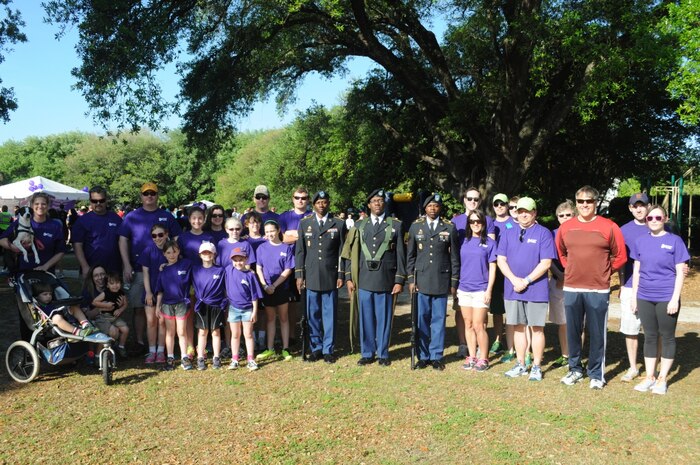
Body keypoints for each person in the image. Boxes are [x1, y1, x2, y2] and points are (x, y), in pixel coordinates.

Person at [556, 185, 627, 389]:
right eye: (581, 201)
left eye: (589, 201)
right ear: (576, 203)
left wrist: (605, 271)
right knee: (573, 332)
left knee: (597, 333)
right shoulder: (566, 227)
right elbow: (561, 253)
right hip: (572, 288)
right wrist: (569, 268)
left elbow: (620, 255)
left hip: (598, 288)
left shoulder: (609, 226)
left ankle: (596, 373)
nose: (585, 205)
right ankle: (575, 369)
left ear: (596, 203)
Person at [343, 189, 406, 367]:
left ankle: (383, 353)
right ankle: (367, 352)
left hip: (385, 279)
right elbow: (351, 254)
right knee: (366, 318)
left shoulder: (396, 225)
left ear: (384, 204)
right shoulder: (359, 226)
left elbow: (401, 254)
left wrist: (399, 279)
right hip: (364, 279)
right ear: (369, 205)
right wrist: (349, 277)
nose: (377, 203)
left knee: (384, 318)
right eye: (374, 201)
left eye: (380, 200)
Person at [631, 205, 689, 395]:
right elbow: (637, 270)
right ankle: (649, 377)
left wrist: (674, 299)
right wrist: (634, 297)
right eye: (650, 218)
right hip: (644, 296)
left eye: (658, 218)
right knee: (650, 336)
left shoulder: (675, 241)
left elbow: (681, 272)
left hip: (666, 296)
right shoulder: (640, 241)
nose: (654, 221)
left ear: (664, 219)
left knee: (667, 336)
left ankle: (662, 379)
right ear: (646, 220)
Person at [119, 182, 182, 355]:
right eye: (146, 194)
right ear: (141, 196)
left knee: (165, 307)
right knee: (140, 307)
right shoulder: (132, 216)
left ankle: (164, 345)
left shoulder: (166, 216)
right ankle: (140, 342)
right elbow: (123, 240)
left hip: (165, 270)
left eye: (152, 193)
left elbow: (176, 237)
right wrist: (126, 264)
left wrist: (175, 259)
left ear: (157, 195)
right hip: (140, 269)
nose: (149, 196)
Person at [498, 197, 557, 381]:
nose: (523, 214)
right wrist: (514, 279)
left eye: (528, 211)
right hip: (512, 288)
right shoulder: (508, 232)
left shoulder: (543, 233)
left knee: (537, 329)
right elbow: (501, 260)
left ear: (534, 213)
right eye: (520, 211)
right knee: (518, 328)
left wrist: (527, 280)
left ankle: (537, 366)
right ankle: (520, 364)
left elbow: (546, 262)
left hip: (536, 290)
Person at [405, 194, 459, 370]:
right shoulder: (415, 227)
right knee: (421, 319)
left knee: (438, 320)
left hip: (441, 280)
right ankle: (423, 356)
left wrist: (453, 282)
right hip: (421, 281)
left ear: (440, 208)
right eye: (430, 206)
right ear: (425, 208)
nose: (433, 209)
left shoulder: (449, 228)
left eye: (436, 206)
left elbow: (454, 258)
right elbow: (410, 256)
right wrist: (411, 280)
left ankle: (436, 356)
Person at [295, 191, 346, 363]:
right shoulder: (305, 223)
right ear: (313, 205)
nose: (321, 205)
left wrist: (341, 274)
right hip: (310, 276)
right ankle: (315, 348)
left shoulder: (338, 223)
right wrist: (299, 275)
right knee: (313, 314)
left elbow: (342, 252)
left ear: (328, 203)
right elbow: (300, 251)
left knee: (329, 314)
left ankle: (328, 349)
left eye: (324, 202)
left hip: (330, 275)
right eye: (318, 203)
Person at [451, 187, 495, 358]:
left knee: (479, 322)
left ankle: (481, 353)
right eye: (469, 198)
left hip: (481, 281)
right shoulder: (455, 221)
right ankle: (465, 346)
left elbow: (490, 255)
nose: (472, 202)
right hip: (462, 280)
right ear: (464, 200)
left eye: (476, 199)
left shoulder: (488, 221)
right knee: (463, 317)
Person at [617, 192, 652, 382]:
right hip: (630, 285)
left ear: (648, 206)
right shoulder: (623, 231)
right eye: (635, 206)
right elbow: (621, 261)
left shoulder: (658, 225)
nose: (639, 209)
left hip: (654, 286)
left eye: (642, 205)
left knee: (653, 330)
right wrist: (622, 285)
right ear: (630, 208)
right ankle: (632, 367)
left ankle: (652, 367)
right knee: (631, 329)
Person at [255, 220, 295, 362]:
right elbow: (259, 268)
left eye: (272, 231)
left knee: (283, 318)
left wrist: (275, 285)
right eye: (267, 232)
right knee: (270, 318)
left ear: (278, 230)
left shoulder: (286, 248)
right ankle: (270, 348)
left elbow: (288, 269)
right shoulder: (261, 248)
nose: (270, 234)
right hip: (266, 289)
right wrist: (265, 285)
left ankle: (285, 348)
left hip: (281, 288)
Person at [0, 192, 67, 273]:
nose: (40, 206)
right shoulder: (20, 222)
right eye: (37, 204)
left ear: (48, 206)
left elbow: (61, 251)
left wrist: (45, 266)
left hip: (46, 272)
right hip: (21, 271)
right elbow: (2, 239)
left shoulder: (55, 225)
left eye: (44, 204)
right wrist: (11, 246)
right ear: (32, 205)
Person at [279, 187, 311, 345]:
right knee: (291, 302)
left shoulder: (312, 215)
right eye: (298, 197)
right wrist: (303, 234)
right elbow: (283, 238)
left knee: (309, 299)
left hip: (309, 262)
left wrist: (293, 234)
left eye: (304, 198)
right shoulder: (285, 216)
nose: (300, 200)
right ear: (292, 198)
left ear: (308, 200)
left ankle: (310, 333)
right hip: (289, 263)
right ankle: (291, 335)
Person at [155, 240, 193, 371]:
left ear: (179, 252)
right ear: (164, 254)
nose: (172, 255)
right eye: (168, 252)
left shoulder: (186, 264)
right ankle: (170, 357)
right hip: (167, 305)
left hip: (182, 303)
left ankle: (184, 357)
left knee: (181, 331)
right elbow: (160, 291)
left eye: (174, 251)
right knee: (170, 332)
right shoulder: (163, 271)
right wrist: (157, 307)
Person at [71, 186, 123, 278]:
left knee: (114, 292)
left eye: (101, 200)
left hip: (114, 269)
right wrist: (84, 266)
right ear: (90, 201)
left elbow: (123, 242)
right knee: (91, 292)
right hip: (92, 269)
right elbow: (77, 246)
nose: (98, 203)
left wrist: (126, 264)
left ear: (106, 200)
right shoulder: (82, 221)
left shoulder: (116, 218)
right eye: (95, 201)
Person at [225, 246, 263, 371]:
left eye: (241, 259)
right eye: (235, 260)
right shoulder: (228, 270)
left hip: (247, 309)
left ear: (246, 259)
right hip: (233, 309)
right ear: (231, 261)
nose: (238, 263)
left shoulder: (250, 276)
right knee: (235, 335)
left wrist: (254, 312)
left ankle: (250, 359)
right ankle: (234, 359)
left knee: (248, 334)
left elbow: (254, 296)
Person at [548, 200, 575, 368]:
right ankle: (565, 355)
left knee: (577, 322)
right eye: (561, 215)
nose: (565, 218)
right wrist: (559, 276)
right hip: (558, 282)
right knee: (562, 322)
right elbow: (547, 258)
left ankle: (575, 356)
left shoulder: (581, 232)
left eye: (568, 215)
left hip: (579, 283)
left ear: (574, 215)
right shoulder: (552, 234)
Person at [137, 224, 169, 364]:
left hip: (167, 292)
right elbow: (145, 273)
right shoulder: (148, 250)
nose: (158, 238)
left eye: (160, 235)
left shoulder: (171, 250)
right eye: (154, 236)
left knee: (162, 321)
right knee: (151, 322)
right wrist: (148, 292)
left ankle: (161, 351)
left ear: (166, 234)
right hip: (151, 290)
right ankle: (152, 351)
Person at [192, 242, 227, 370]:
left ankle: (216, 357)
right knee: (202, 332)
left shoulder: (220, 270)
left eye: (209, 252)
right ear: (200, 255)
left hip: (216, 305)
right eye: (204, 253)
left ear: (214, 254)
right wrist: (163, 266)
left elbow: (225, 287)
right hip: (202, 305)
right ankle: (200, 357)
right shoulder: (195, 269)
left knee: (216, 331)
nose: (207, 255)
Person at [489, 193, 516, 357]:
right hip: (496, 272)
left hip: (511, 270)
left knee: (513, 308)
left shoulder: (515, 222)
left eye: (503, 203)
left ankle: (512, 344)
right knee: (497, 309)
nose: (499, 206)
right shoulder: (489, 223)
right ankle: (498, 340)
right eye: (496, 204)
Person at [33, 281, 98, 336]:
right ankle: (78, 332)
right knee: (57, 318)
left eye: (50, 294)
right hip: (52, 321)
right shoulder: (39, 306)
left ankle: (86, 324)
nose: (49, 296)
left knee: (74, 307)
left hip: (63, 314)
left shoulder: (53, 303)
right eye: (45, 294)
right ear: (37, 296)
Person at [91, 271, 129, 358]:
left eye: (117, 283)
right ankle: (98, 356)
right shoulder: (105, 293)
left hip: (114, 317)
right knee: (105, 335)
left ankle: (121, 347)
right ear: (107, 285)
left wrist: (120, 309)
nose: (115, 285)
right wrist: (106, 305)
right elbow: (94, 302)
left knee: (125, 329)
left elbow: (126, 304)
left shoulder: (121, 293)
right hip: (104, 317)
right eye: (112, 283)